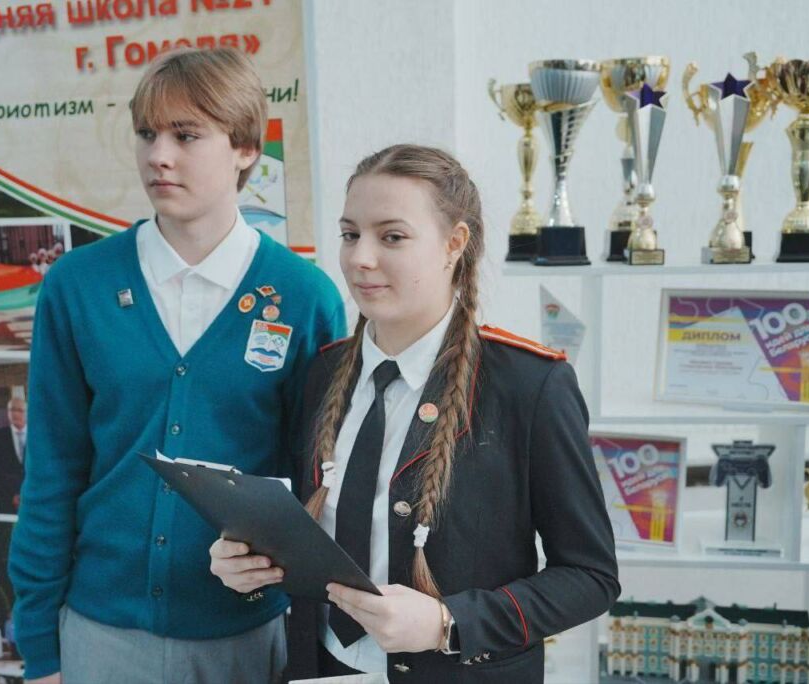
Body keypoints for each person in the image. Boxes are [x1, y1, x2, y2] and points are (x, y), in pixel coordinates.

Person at [211, 144, 619, 682]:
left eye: (392, 237)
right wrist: (248, 564)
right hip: (320, 667)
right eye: (350, 234)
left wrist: (448, 623)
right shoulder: (322, 374)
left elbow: (590, 577)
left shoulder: (529, 385)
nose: (360, 258)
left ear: (454, 244)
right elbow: (303, 530)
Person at [8, 46, 346, 684]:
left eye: (186, 136)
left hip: (245, 633)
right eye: (147, 134)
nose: (159, 156)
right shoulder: (78, 285)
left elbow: (317, 488)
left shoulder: (305, 297)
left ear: (246, 147)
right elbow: (52, 470)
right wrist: (41, 649)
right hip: (101, 632)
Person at [0, 397, 27, 515]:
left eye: (20, 410)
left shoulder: (36, 435)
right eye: (12, 410)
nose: (15, 414)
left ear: (27, 413)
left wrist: (26, 494)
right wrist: (13, 494)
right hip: (7, 499)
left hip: (32, 496)